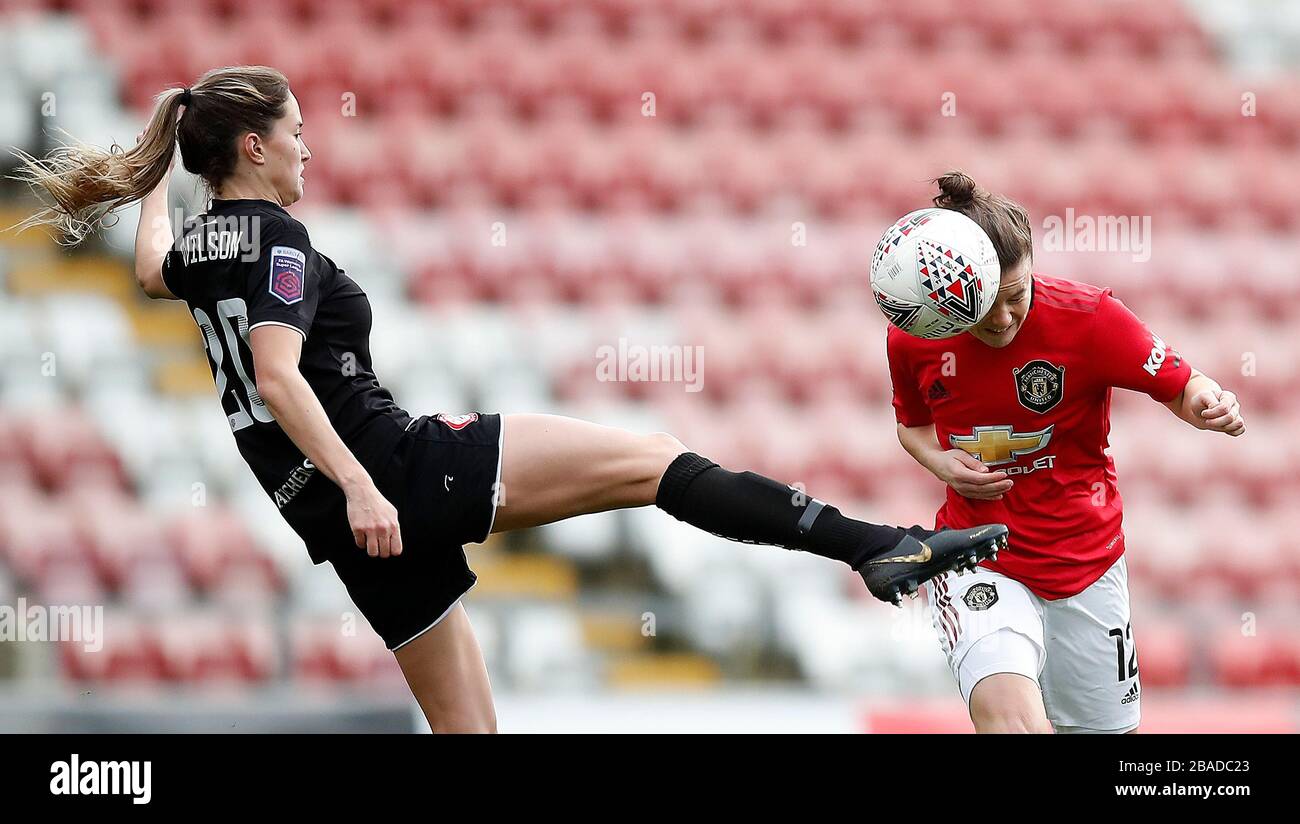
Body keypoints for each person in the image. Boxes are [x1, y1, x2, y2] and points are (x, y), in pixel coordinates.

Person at [16, 66, 1006, 732]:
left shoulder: (203, 247)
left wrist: (157, 170)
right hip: (391, 474)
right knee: (655, 462)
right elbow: (278, 376)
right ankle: (875, 545)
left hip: (330, 519)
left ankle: (877, 547)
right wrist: (365, 482)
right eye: (297, 134)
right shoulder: (274, 240)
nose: (309, 150)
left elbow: (149, 267)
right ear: (256, 150)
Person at [886, 171, 1245, 734]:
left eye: (1017, 295)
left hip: (1087, 561)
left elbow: (1180, 383)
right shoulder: (914, 335)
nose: (1003, 319)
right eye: (985, 305)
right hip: (981, 555)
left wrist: (1206, 403)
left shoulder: (1090, 319)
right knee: (1010, 717)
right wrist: (938, 462)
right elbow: (913, 427)